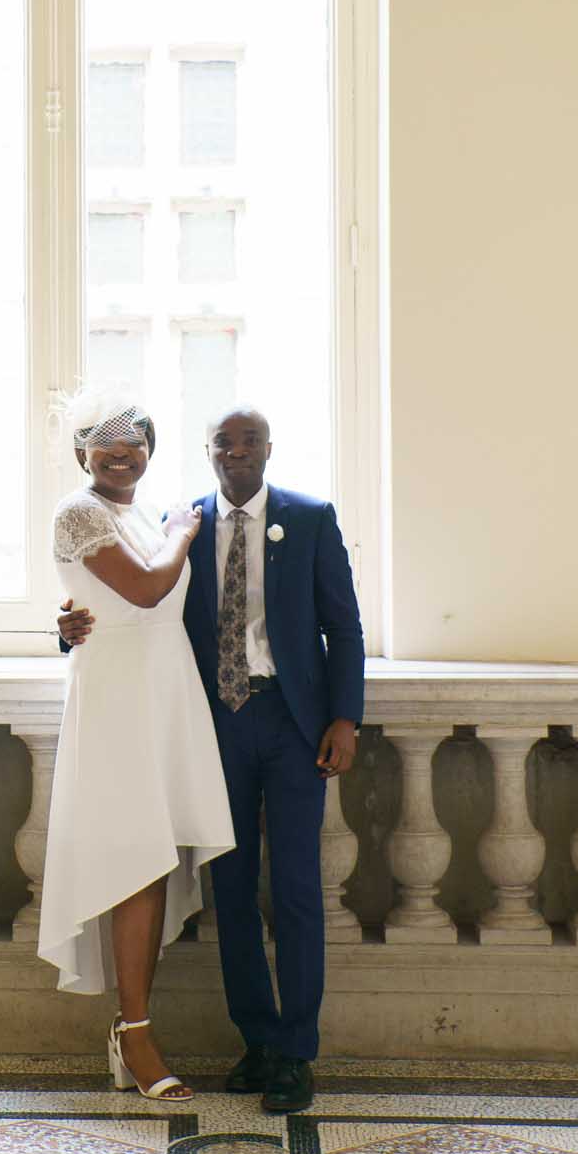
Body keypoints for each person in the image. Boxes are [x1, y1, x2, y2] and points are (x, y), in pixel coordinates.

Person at [59, 407, 365, 1116]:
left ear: (268, 447)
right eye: (223, 442)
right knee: (229, 890)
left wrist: (345, 716)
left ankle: (296, 1051)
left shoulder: (311, 517)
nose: (237, 451)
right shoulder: (181, 522)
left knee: (292, 888)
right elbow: (121, 596)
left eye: (250, 439)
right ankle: (256, 1041)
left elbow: (342, 623)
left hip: (293, 724)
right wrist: (64, 624)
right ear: (207, 453)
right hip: (212, 721)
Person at [39, 391, 235, 1104]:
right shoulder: (79, 510)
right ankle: (136, 1033)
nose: (123, 454)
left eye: (136, 442)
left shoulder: (139, 512)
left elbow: (115, 599)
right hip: (119, 696)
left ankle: (132, 1028)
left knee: (152, 864)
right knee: (132, 860)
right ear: (81, 451)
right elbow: (149, 589)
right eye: (106, 443)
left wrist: (167, 526)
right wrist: (184, 530)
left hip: (163, 688)